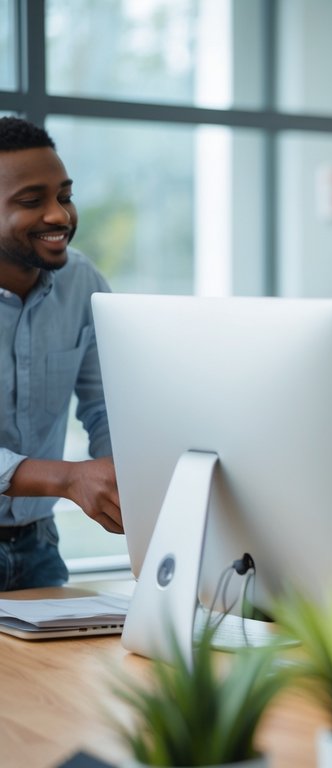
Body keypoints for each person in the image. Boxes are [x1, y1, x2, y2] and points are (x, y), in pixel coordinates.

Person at [0, 116, 120, 591]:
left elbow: (106, 402)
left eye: (64, 196)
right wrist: (69, 478)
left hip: (38, 549)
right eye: (32, 201)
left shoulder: (82, 283)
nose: (59, 215)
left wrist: (121, 476)